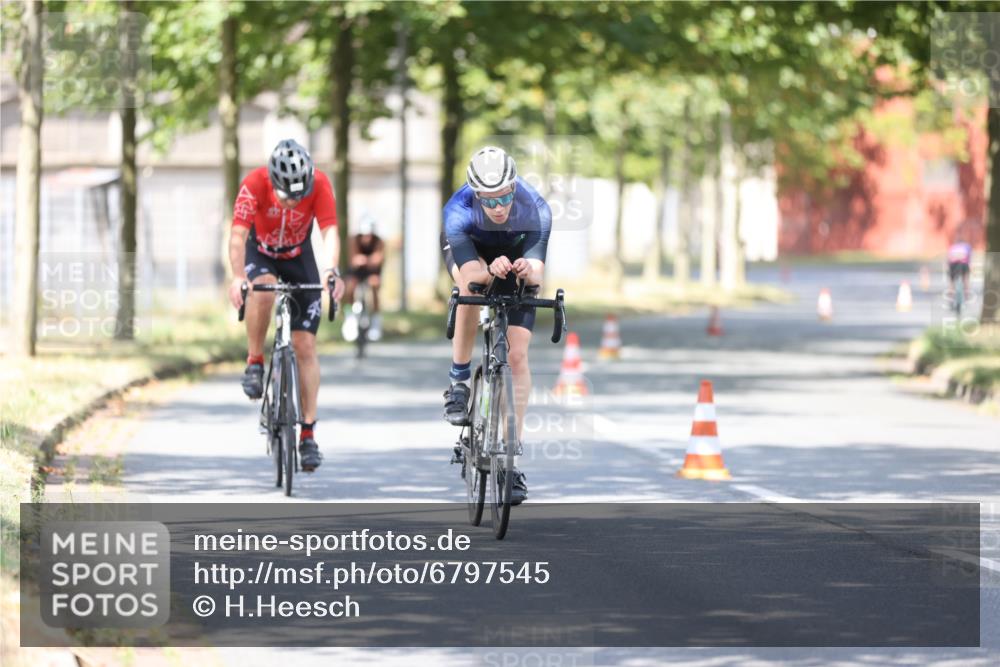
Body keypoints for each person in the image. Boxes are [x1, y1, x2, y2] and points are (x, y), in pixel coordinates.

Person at [441, 146, 552, 505]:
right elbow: (472, 274)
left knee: (517, 357)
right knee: (469, 290)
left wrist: (524, 270)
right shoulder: (458, 210)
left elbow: (538, 273)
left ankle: (510, 459)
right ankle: (458, 380)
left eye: (505, 195)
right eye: (489, 200)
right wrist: (489, 270)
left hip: (515, 264)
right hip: (474, 259)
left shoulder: (535, 207)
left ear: (514, 186)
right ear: (476, 195)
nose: (499, 206)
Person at [227, 139, 345, 472]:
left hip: (298, 256)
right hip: (260, 253)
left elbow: (330, 231)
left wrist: (331, 270)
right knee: (262, 290)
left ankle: (307, 434)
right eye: (286, 196)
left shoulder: (320, 183)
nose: (293, 202)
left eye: (299, 195)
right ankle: (254, 361)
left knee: (305, 345)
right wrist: (238, 277)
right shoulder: (254, 184)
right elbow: (237, 236)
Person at [342, 212, 385, 342]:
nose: (367, 238)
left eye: (369, 235)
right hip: (357, 272)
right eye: (365, 235)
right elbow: (353, 259)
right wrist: (365, 260)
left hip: (372, 271)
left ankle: (376, 319)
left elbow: (379, 258)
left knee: (374, 284)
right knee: (349, 286)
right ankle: (349, 316)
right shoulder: (353, 240)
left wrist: (365, 260)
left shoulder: (379, 242)